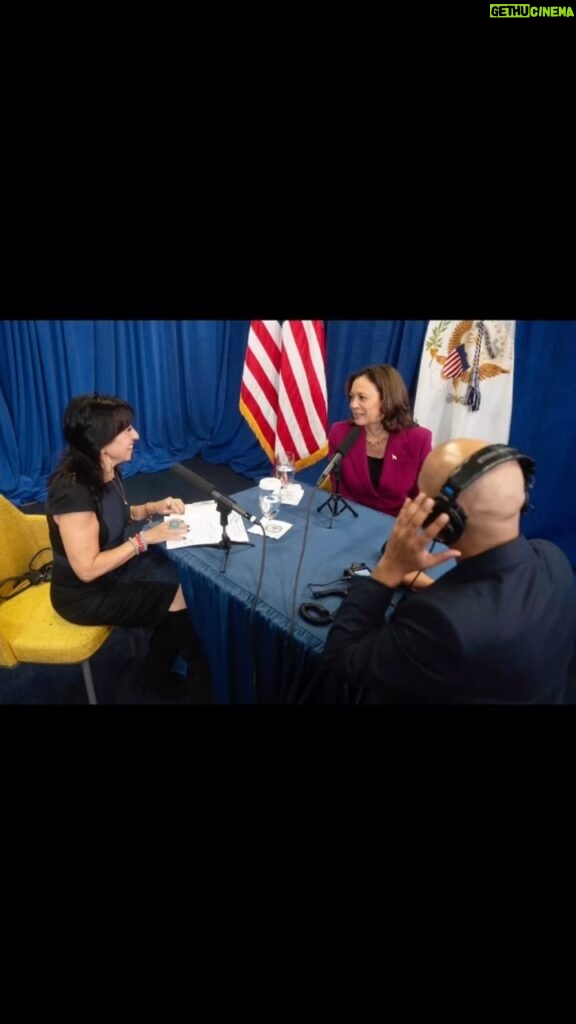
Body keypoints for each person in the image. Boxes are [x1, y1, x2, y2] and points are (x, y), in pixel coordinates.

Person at [313, 438, 576, 704]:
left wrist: (388, 570)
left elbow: (341, 660)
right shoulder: (553, 559)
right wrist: (433, 587)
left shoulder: (439, 622)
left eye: (421, 498)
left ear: (444, 521)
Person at [46, 393, 211, 702]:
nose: (135, 435)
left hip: (112, 571)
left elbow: (115, 517)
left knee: (178, 578)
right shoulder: (73, 494)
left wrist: (152, 507)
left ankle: (155, 673)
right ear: (101, 440)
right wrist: (144, 539)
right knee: (176, 592)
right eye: (126, 430)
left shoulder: (104, 470)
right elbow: (87, 569)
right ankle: (201, 681)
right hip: (85, 596)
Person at [327, 364, 432, 516]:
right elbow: (339, 489)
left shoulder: (418, 440)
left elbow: (422, 497)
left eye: (362, 398)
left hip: (396, 526)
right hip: (349, 520)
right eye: (352, 397)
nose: (353, 405)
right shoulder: (340, 433)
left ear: (387, 399)